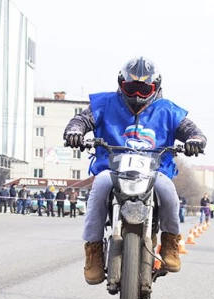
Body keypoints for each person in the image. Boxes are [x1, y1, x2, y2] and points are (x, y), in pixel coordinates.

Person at [64, 56, 206, 284]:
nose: (137, 95)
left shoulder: (168, 110)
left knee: (169, 192)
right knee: (99, 188)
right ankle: (93, 251)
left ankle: (170, 242)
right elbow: (80, 120)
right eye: (131, 88)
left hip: (155, 171)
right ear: (121, 84)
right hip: (112, 169)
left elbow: (192, 130)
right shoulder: (104, 104)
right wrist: (74, 132)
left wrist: (196, 140)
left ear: (156, 87)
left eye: (144, 89)